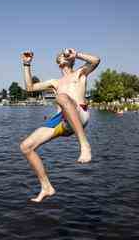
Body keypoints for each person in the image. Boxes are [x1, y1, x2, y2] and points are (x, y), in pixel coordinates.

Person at [20, 48, 100, 202]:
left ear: (71, 59)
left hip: (79, 114)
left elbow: (96, 60)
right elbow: (29, 88)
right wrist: (26, 64)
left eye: (66, 54)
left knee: (62, 97)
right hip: (60, 120)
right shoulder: (54, 82)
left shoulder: (80, 73)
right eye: (61, 55)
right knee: (26, 146)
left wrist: (77, 54)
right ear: (58, 63)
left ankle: (84, 145)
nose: (63, 55)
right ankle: (46, 187)